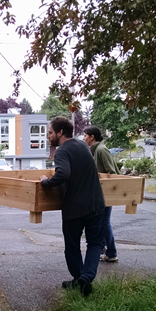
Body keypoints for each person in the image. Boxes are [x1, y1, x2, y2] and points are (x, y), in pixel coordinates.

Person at [40, 117, 105, 297]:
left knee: (72, 247)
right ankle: (85, 279)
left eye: (51, 132)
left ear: (60, 133)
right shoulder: (83, 145)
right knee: (95, 244)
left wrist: (46, 182)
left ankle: (80, 278)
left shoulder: (62, 152)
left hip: (74, 208)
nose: (49, 136)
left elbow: (64, 173)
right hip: (96, 204)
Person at [83, 125, 120, 263]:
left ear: (92, 137)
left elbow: (112, 173)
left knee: (104, 223)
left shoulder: (102, 150)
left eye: (85, 135)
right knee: (100, 222)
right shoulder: (94, 150)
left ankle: (111, 252)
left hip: (106, 193)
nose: (83, 137)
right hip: (99, 193)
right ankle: (104, 250)